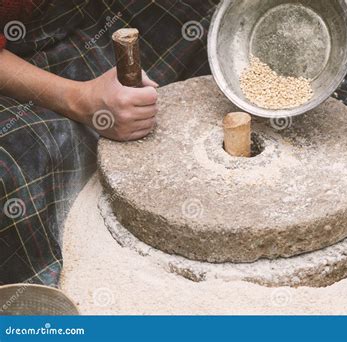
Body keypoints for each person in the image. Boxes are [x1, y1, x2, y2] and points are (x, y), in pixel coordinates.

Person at [0, 0, 218, 285]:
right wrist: (81, 100)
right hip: (13, 66)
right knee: (13, 168)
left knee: (204, 16)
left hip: (79, 15)